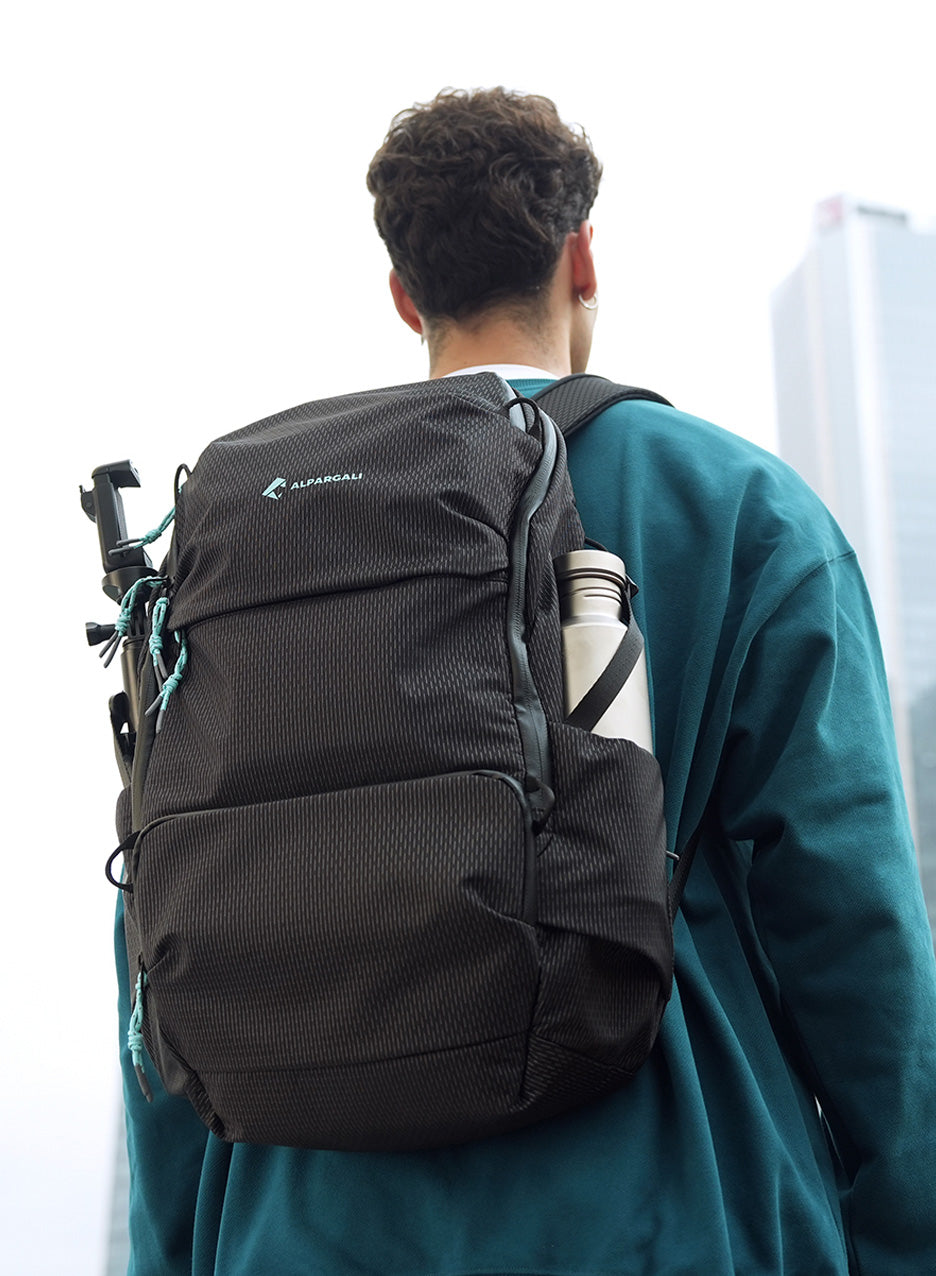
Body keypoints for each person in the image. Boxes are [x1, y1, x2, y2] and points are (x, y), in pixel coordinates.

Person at [116, 88, 936, 1275]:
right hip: (668, 1222)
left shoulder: (242, 545)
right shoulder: (735, 508)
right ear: (581, 256)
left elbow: (158, 954)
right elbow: (854, 932)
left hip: (299, 1235)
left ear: (405, 293)